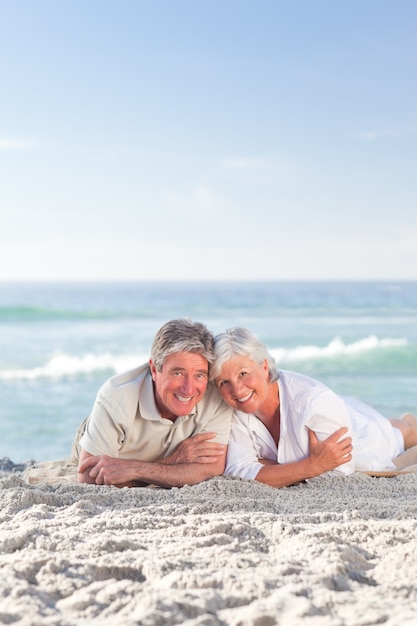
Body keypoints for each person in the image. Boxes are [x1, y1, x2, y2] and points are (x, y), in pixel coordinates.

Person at [210, 327, 417, 488]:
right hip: (338, 411)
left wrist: (264, 465)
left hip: (363, 433)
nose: (237, 390)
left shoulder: (313, 402)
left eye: (243, 374)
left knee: (400, 433)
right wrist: (311, 465)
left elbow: (338, 471)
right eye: (223, 382)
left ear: (264, 367)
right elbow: (238, 471)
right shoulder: (235, 408)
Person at [75, 318, 232, 488]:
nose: (188, 389)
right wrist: (173, 462)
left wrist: (136, 470)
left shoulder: (216, 397)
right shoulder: (115, 398)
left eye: (199, 375)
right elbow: (88, 479)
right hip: (97, 432)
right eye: (178, 373)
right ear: (154, 369)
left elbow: (211, 469)